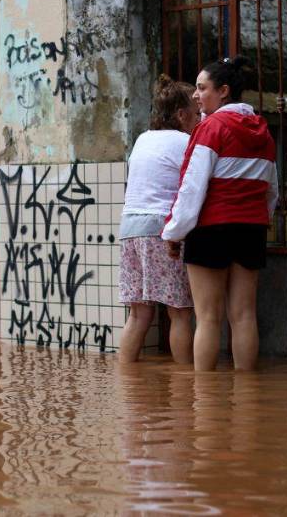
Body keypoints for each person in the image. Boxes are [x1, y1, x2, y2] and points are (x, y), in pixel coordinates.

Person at [161, 56, 278, 372]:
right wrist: (257, 219)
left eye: (202, 88)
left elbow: (191, 189)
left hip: (212, 229)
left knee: (208, 317)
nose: (196, 96)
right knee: (243, 315)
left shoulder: (210, 128)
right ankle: (248, 401)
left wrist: (174, 232)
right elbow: (271, 191)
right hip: (251, 230)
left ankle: (206, 404)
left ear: (223, 91)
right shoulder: (264, 133)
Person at [118, 75, 199, 364]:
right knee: (179, 312)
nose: (200, 118)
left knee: (138, 313)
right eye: (197, 112)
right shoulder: (185, 141)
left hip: (129, 228)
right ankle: (187, 386)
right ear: (181, 114)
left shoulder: (143, 138)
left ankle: (126, 382)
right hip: (159, 230)